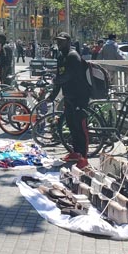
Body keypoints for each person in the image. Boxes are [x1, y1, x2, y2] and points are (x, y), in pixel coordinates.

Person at [48, 32, 90, 169]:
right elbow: (60, 76)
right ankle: (75, 152)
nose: (59, 44)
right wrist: (52, 96)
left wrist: (56, 80)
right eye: (57, 41)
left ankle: (84, 157)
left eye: (62, 41)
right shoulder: (60, 56)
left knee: (80, 127)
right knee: (72, 126)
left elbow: (68, 76)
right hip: (69, 97)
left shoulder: (73, 56)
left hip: (79, 97)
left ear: (68, 42)